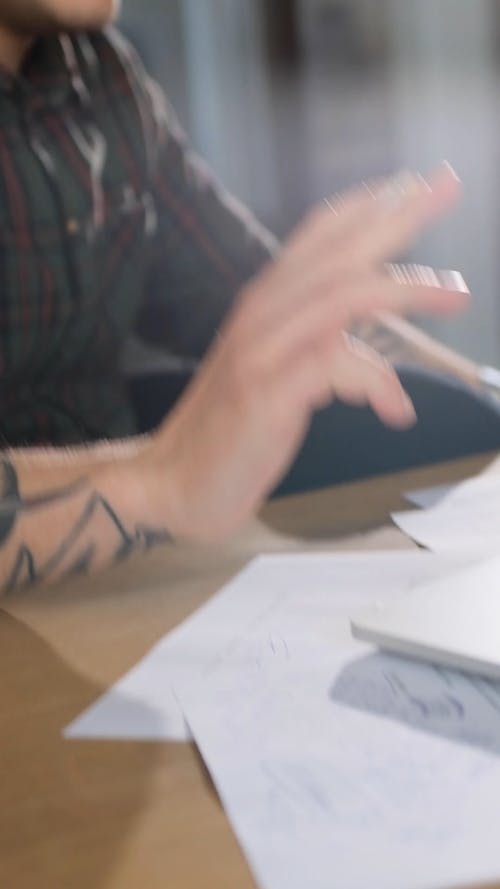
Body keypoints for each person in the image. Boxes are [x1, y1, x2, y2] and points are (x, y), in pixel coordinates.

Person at [0, 0, 496, 596]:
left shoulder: (101, 73)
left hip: (139, 587)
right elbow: (171, 475)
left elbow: (276, 309)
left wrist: (486, 390)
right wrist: (161, 479)